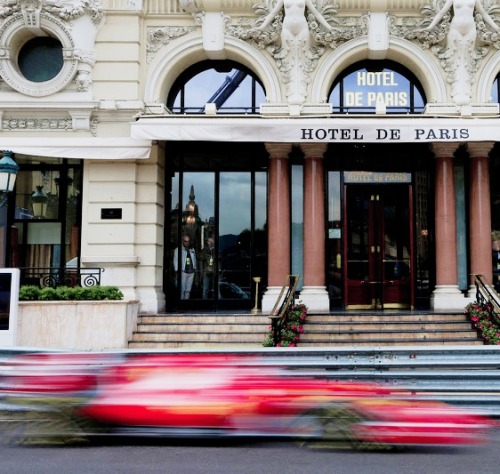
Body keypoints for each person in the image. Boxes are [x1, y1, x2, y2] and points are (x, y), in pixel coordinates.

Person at [257, 0, 333, 51]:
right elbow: (273, 13)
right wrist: (262, 27)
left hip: (302, 27)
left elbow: (316, 13)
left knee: (305, 51)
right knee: (285, 51)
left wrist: (329, 27)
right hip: (287, 27)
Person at [173, 234, 197, 299]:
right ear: (183, 241)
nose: (187, 243)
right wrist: (177, 270)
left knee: (188, 290)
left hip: (191, 272)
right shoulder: (178, 250)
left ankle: (186, 303)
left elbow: (194, 259)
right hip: (183, 271)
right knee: (182, 289)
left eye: (188, 241)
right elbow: (175, 260)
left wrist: (195, 268)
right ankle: (181, 303)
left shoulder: (192, 249)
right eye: (185, 241)